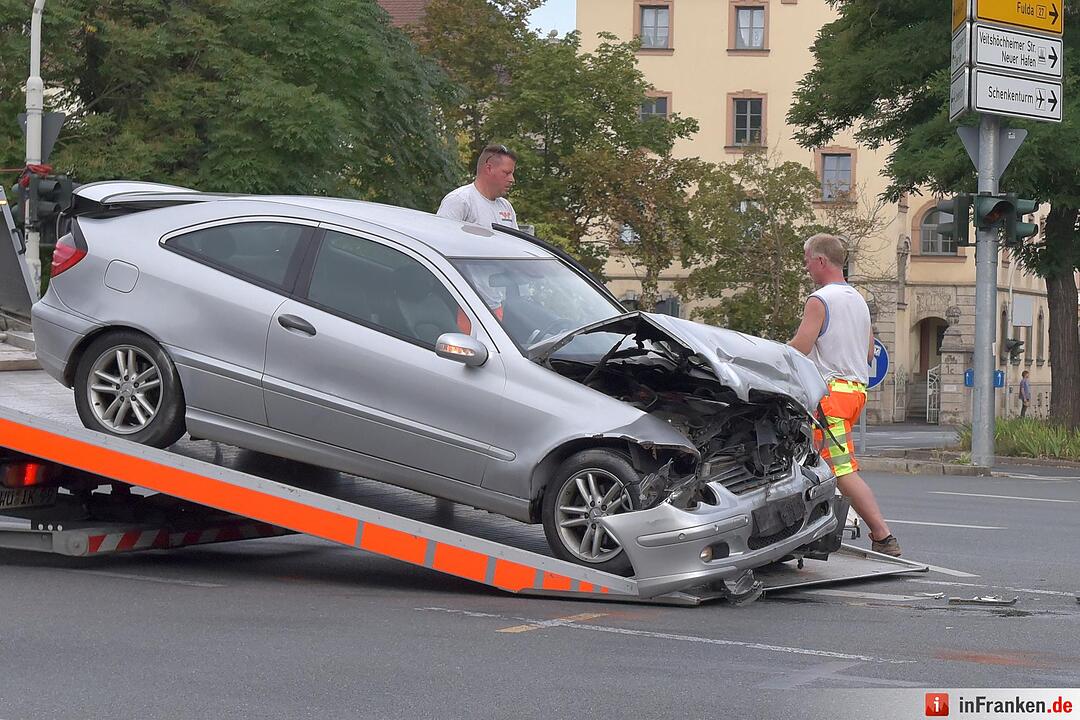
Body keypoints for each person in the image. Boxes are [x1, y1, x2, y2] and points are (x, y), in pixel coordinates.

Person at [789, 233, 901, 557]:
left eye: (807, 260)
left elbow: (799, 348)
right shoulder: (858, 301)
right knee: (817, 465)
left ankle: (883, 536)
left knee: (840, 471)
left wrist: (767, 355)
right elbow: (867, 353)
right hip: (854, 395)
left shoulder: (819, 300)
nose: (806, 266)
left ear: (821, 260)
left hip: (829, 399)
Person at [437, 144, 519, 230]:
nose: (512, 179)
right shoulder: (459, 200)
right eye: (506, 173)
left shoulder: (506, 207)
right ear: (488, 168)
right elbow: (441, 235)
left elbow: (514, 239)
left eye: (512, 174)